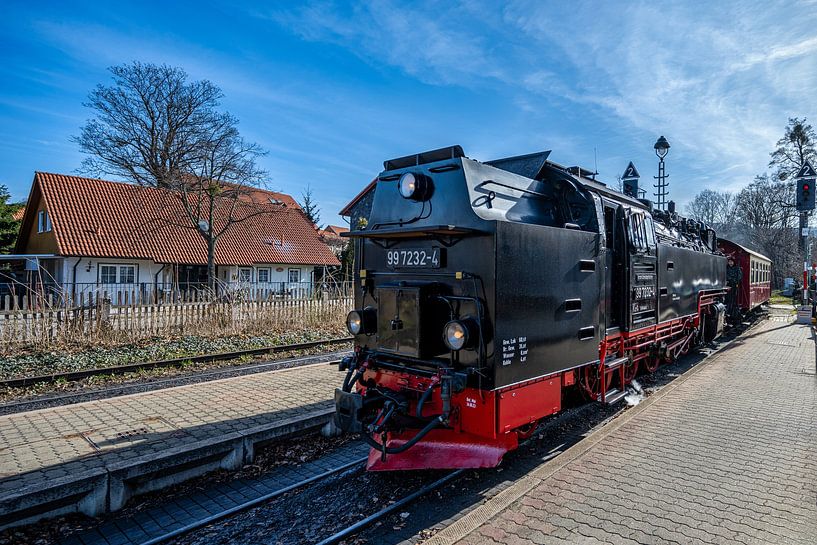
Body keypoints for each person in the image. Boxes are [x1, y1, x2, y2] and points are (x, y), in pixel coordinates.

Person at [726, 255, 742, 321]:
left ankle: (732, 311)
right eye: (729, 261)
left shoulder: (737, 268)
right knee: (727, 298)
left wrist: (734, 280)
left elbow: (739, 276)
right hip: (727, 284)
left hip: (734, 285)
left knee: (733, 299)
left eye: (731, 262)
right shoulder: (726, 268)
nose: (730, 263)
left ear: (733, 262)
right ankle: (728, 311)